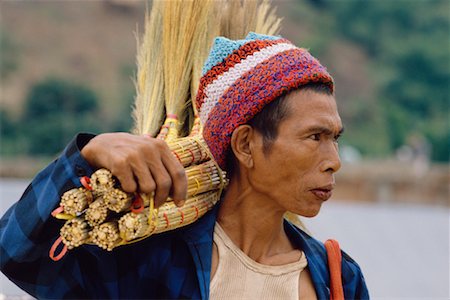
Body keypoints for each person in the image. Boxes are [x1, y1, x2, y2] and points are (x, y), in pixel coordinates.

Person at [0, 33, 369, 299]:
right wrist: (89, 153)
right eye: (315, 137)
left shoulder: (338, 279)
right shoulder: (149, 257)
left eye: (335, 138)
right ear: (245, 145)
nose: (334, 162)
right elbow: (16, 254)